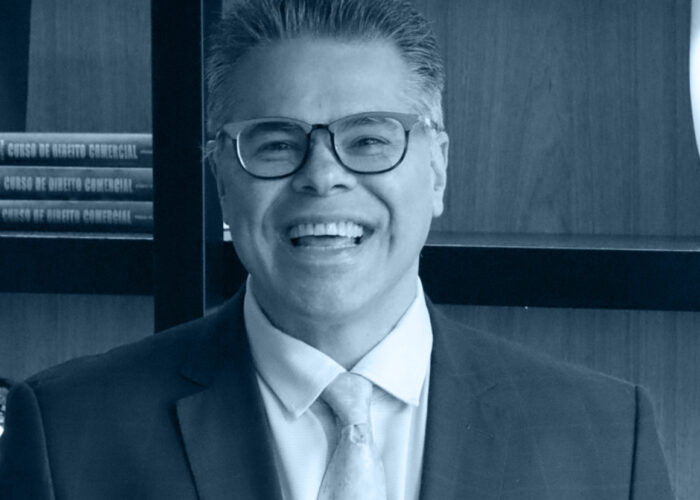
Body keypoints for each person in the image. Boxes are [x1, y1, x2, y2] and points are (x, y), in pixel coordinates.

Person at [0, 0, 674, 498]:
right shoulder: (70, 432)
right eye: (275, 143)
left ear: (438, 169)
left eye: (370, 140)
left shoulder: (611, 440)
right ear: (222, 180)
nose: (322, 176)